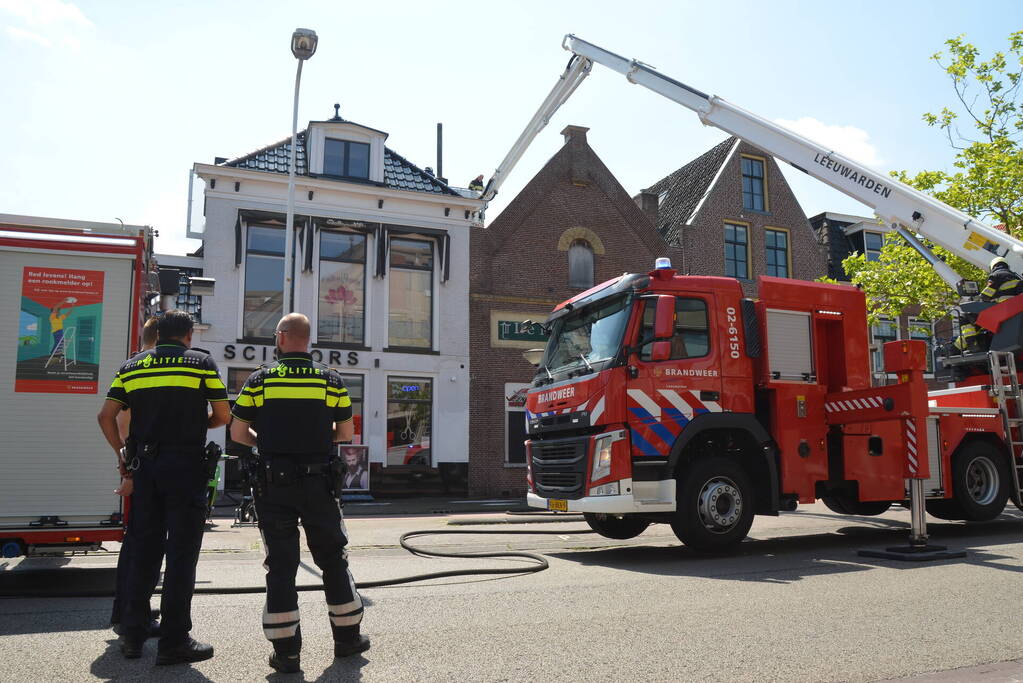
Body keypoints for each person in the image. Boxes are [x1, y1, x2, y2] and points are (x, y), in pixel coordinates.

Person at [230, 313, 368, 674]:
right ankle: (348, 640)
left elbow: (238, 433)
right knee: (332, 558)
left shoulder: (260, 380)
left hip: (273, 483)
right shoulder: (331, 380)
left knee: (281, 564)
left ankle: (287, 653)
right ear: (308, 340)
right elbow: (345, 434)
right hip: (319, 483)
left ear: (280, 337)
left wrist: (268, 443)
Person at [97, 310, 230, 664]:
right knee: (182, 554)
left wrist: (122, 456)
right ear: (188, 335)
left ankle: (133, 634)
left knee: (143, 551)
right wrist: (195, 421)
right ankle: (173, 642)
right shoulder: (200, 363)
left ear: (157, 334)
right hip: (185, 468)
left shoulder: (131, 367)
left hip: (145, 467)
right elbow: (223, 415)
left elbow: (105, 416)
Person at [110, 317, 161, 637]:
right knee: (141, 545)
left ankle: (128, 610)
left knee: (137, 543)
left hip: (136, 464)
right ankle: (132, 614)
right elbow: (122, 423)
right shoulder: (142, 369)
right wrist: (128, 468)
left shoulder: (131, 367)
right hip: (142, 468)